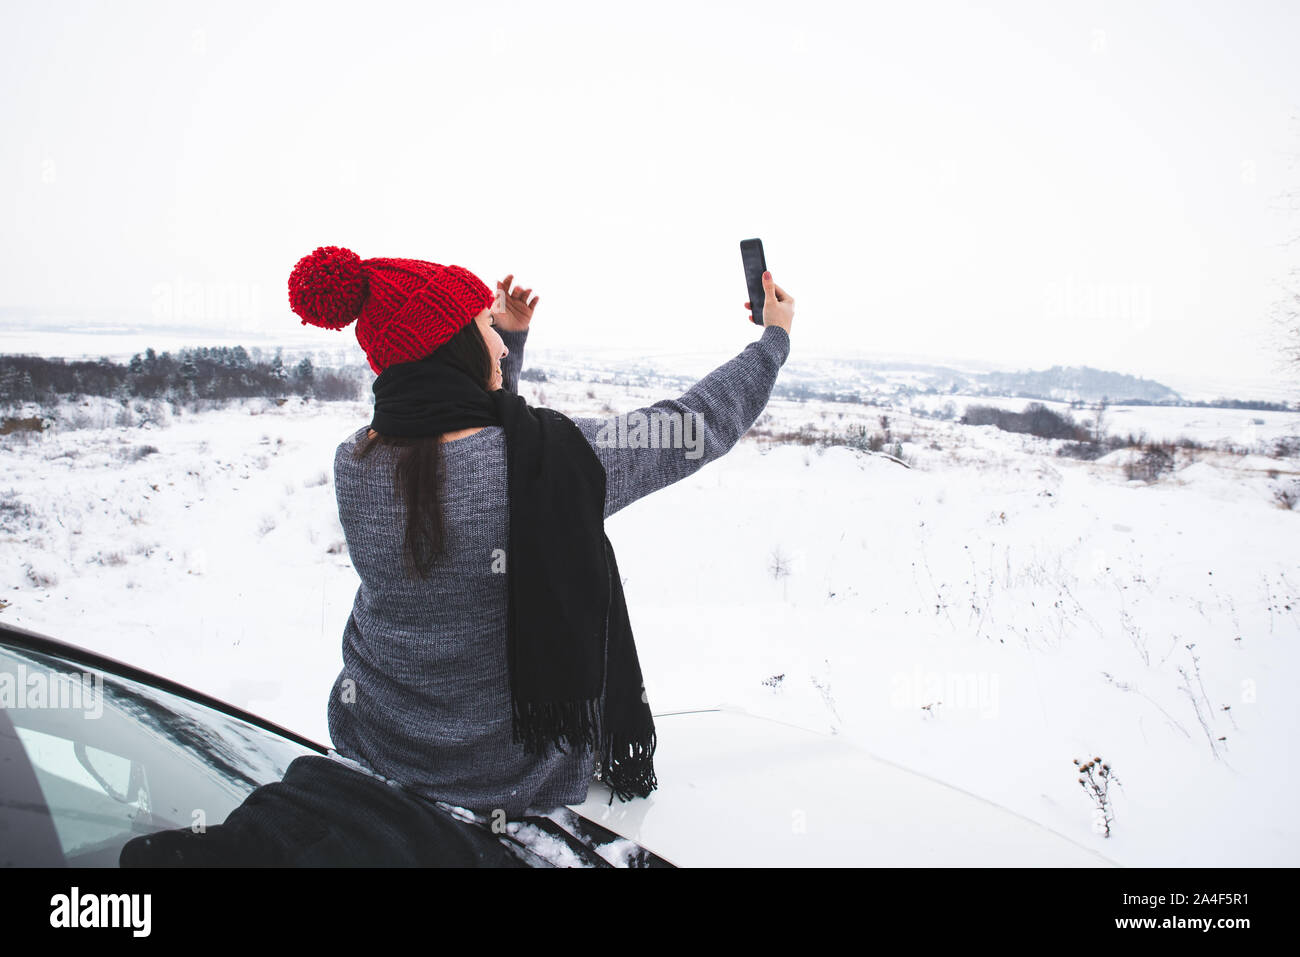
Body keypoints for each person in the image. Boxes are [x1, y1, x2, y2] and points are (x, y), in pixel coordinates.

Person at [287, 245, 793, 821]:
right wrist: (771, 344)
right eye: (484, 329)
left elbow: (478, 442)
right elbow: (689, 428)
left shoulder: (355, 460)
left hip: (376, 734)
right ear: (454, 349)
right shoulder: (555, 462)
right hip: (499, 770)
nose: (499, 343)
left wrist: (512, 342)